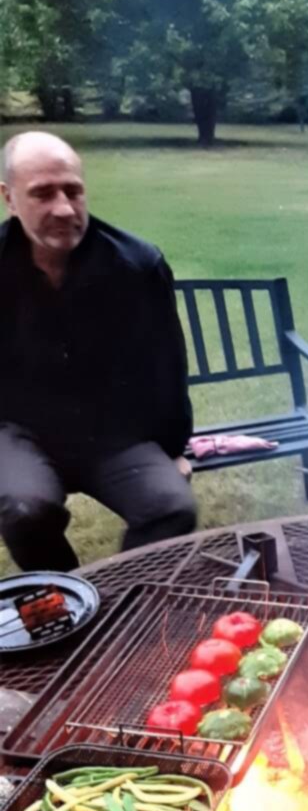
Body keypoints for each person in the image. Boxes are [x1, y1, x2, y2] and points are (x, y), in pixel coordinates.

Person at [0, 131, 196, 572]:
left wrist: (173, 448)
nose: (64, 209)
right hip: (17, 431)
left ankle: (118, 602)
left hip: (111, 435)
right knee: (25, 509)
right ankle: (65, 595)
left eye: (73, 190)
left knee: (172, 506)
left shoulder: (136, 265)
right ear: (9, 198)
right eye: (43, 194)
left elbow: (166, 367)